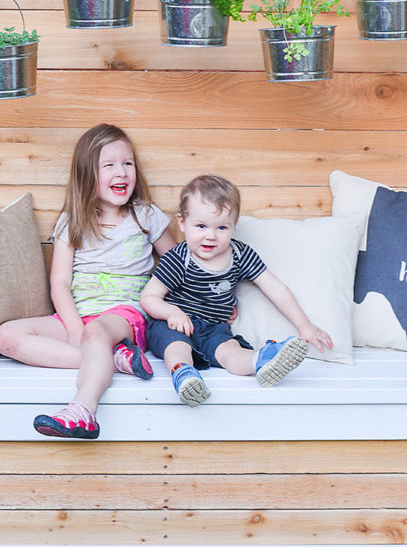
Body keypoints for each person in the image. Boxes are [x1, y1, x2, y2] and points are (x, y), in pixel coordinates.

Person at [0, 123, 174, 440]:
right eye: (109, 165)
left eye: (127, 163)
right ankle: (115, 360)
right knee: (6, 337)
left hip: (125, 316)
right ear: (87, 174)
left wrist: (208, 302)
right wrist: (75, 329)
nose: (122, 172)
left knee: (96, 332)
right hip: (80, 317)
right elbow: (60, 284)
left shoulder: (145, 216)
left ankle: (83, 409)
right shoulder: (72, 221)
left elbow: (178, 266)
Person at [140, 174, 333, 407]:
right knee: (177, 346)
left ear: (234, 225)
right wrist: (172, 313)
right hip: (173, 324)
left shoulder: (241, 255)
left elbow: (274, 287)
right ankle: (184, 375)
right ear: (182, 222)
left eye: (221, 227)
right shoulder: (179, 258)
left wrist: (304, 324)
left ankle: (262, 360)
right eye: (201, 226)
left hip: (214, 328)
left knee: (230, 351)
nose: (210, 235)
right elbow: (149, 297)